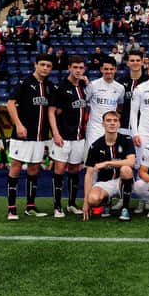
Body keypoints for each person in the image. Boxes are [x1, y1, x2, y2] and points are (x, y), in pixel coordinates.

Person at [5, 53, 55, 220]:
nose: (45, 68)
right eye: (42, 65)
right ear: (36, 65)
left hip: (40, 136)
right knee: (16, 168)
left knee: (34, 169)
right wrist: (18, 124)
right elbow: (10, 103)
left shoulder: (50, 86)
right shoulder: (25, 82)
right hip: (22, 135)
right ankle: (11, 208)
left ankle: (30, 206)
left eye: (48, 66)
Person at [48, 55, 89, 218]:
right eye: (75, 67)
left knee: (74, 169)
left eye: (81, 67)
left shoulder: (84, 87)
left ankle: (71, 203)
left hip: (79, 136)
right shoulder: (60, 87)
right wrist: (56, 134)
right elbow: (51, 111)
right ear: (69, 68)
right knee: (59, 169)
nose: (78, 70)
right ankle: (57, 206)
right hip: (63, 137)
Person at [82, 111, 136, 221]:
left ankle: (125, 209)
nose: (112, 123)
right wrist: (85, 202)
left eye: (115, 121)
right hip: (104, 183)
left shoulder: (127, 140)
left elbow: (131, 162)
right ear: (103, 124)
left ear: (119, 124)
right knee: (92, 200)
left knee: (126, 169)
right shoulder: (95, 146)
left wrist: (107, 163)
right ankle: (107, 201)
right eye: (108, 120)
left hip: (122, 180)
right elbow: (89, 174)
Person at [85, 56, 125, 148]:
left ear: (115, 69)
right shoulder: (93, 85)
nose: (109, 71)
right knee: (93, 157)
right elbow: (85, 103)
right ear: (101, 69)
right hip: (94, 128)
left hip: (111, 128)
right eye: (106, 69)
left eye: (111, 69)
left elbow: (119, 106)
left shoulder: (120, 88)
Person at [116, 50, 148, 136]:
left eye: (138, 60)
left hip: (143, 129)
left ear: (142, 62)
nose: (135, 63)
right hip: (124, 127)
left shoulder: (148, 82)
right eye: (132, 60)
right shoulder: (120, 82)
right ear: (128, 63)